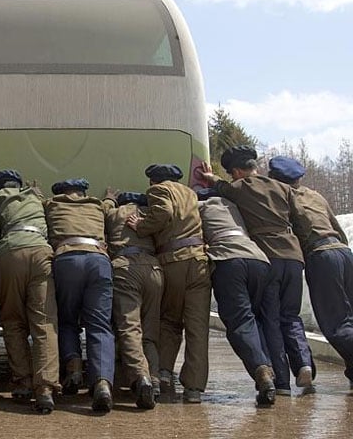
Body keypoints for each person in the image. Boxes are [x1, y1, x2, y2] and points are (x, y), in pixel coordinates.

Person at [200, 146, 314, 395]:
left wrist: (212, 178)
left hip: (267, 257)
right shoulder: (284, 188)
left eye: (232, 173)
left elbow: (221, 188)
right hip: (293, 257)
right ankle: (304, 363)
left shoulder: (240, 187)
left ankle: (281, 382)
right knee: (292, 316)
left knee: (270, 320)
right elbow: (301, 220)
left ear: (239, 171)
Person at [0, 169, 61, 413]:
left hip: (11, 251)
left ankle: (23, 382)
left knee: (13, 320)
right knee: (44, 322)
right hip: (41, 250)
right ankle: (45, 389)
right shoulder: (35, 197)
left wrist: (0, 235)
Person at [126, 164, 210, 404]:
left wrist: (141, 226)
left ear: (153, 181)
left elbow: (163, 211)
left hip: (174, 261)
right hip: (199, 261)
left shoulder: (159, 191)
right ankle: (194, 388)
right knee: (197, 327)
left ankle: (163, 374)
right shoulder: (190, 194)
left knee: (170, 321)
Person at [268, 155, 353, 389]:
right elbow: (336, 227)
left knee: (336, 324)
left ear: (275, 178)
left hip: (321, 256)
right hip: (343, 252)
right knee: (350, 318)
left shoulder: (283, 197)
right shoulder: (315, 195)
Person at [197, 188, 276, 405]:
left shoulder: (199, 207)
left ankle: (261, 371)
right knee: (256, 320)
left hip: (229, 261)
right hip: (259, 260)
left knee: (240, 321)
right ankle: (268, 370)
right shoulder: (233, 207)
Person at [44, 178, 116, 413]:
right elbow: (109, 206)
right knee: (100, 325)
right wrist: (110, 197)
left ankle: (74, 369)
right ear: (83, 192)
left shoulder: (52, 205)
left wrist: (33, 192)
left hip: (67, 259)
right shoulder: (96, 205)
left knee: (67, 320)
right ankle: (102, 383)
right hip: (98, 259)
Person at [104, 191, 162, 409]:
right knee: (150, 330)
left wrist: (109, 198)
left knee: (130, 327)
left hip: (125, 267)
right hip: (154, 269)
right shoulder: (148, 213)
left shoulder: (113, 213)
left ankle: (140, 377)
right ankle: (154, 379)